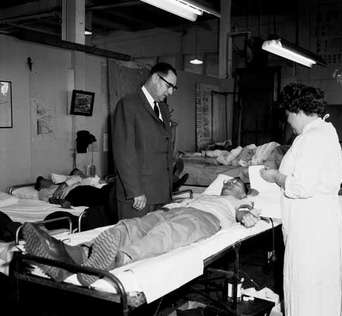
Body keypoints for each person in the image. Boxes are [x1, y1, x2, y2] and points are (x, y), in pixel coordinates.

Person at [22, 177, 259, 286]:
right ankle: (74, 254)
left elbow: (245, 213)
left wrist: (246, 215)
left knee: (168, 234)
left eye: (236, 183)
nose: (229, 183)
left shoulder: (240, 202)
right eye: (227, 182)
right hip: (173, 209)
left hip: (204, 219)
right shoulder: (205, 194)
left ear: (243, 192)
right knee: (128, 226)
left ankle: (118, 259)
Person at [259, 83, 342, 316]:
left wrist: (275, 177)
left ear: (297, 110)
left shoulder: (311, 138)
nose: (288, 121)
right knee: (322, 293)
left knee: (307, 292)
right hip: (322, 224)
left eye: (288, 115)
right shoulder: (326, 131)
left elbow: (301, 185)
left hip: (311, 230)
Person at [112, 62, 178, 219]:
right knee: (135, 240)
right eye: (169, 86)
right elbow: (124, 152)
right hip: (139, 197)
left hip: (161, 193)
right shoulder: (128, 105)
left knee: (159, 240)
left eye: (173, 88)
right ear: (156, 78)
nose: (170, 92)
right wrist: (136, 191)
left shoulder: (163, 109)